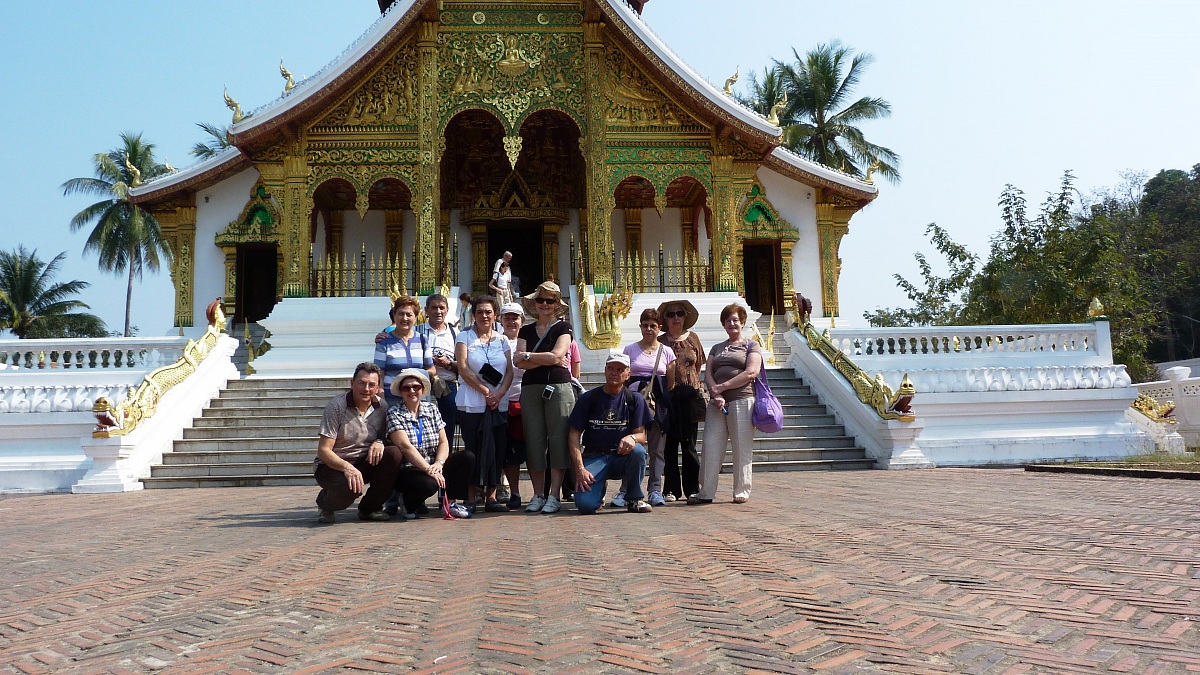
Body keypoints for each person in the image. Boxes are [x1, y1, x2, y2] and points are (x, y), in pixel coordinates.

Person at [513, 280, 576, 514]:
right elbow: (517, 361)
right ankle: (538, 493)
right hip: (531, 388)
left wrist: (529, 356)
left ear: (556, 304)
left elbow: (558, 356)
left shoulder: (563, 327)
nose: (545, 304)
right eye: (540, 300)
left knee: (558, 439)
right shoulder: (526, 330)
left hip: (558, 386)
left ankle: (554, 494)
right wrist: (543, 357)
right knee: (534, 440)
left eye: (550, 300)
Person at [690, 303, 763, 505]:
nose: (732, 323)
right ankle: (706, 491)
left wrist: (723, 387)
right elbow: (708, 373)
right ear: (723, 324)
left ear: (743, 323)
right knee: (710, 446)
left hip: (742, 399)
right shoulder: (717, 348)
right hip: (717, 404)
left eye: (736, 320)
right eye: (728, 320)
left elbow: (751, 372)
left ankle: (742, 489)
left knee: (742, 447)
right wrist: (716, 392)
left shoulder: (751, 345)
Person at [314, 363, 403, 523]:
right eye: (362, 383)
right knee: (349, 490)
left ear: (378, 388)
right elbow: (324, 450)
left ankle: (369, 509)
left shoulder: (382, 407)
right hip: (333, 465)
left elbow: (384, 436)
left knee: (394, 454)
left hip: (364, 461)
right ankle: (325, 503)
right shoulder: (336, 406)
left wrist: (379, 441)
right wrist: (347, 468)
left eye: (371, 385)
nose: (366, 389)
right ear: (352, 383)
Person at [569, 352, 654, 514]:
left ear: (628, 374)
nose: (614, 372)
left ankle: (634, 499)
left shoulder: (634, 399)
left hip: (620, 458)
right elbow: (573, 434)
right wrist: (580, 469)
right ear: (605, 370)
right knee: (585, 506)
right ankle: (599, 490)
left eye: (620, 369)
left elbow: (642, 435)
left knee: (638, 451)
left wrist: (632, 437)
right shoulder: (588, 398)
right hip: (595, 457)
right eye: (611, 368)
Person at [387, 369, 476, 519]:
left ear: (422, 390)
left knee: (467, 457)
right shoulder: (394, 413)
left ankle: (450, 503)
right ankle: (408, 503)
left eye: (416, 387)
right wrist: (429, 469)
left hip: (433, 463)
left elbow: (443, 441)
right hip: (409, 468)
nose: (412, 391)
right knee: (430, 484)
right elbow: (405, 447)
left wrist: (439, 464)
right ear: (401, 392)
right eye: (406, 388)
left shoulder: (432, 409)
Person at [455, 295, 514, 512]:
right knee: (473, 449)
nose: (484, 316)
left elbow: (509, 371)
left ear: (495, 315)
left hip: (498, 402)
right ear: (473, 315)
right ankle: (470, 497)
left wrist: (499, 394)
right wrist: (486, 391)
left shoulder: (502, 340)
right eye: (479, 312)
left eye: (488, 312)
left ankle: (492, 496)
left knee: (496, 449)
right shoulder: (464, 337)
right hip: (472, 401)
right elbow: (463, 368)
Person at [616, 308, 675, 507]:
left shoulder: (667, 352)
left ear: (659, 328)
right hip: (634, 404)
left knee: (657, 450)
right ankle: (626, 490)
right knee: (631, 446)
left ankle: (655, 489)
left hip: (658, 404)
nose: (649, 329)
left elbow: (670, 382)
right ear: (640, 326)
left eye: (653, 326)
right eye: (645, 325)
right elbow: (623, 378)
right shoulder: (630, 350)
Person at [658, 299, 705, 502]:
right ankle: (670, 489)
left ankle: (692, 488)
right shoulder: (660, 341)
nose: (675, 318)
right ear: (665, 319)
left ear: (685, 317)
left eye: (679, 313)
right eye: (671, 314)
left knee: (689, 445)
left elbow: (698, 365)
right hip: (668, 397)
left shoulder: (693, 339)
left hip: (690, 398)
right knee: (669, 445)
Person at [374, 296, 434, 408]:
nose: (405, 318)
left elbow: (432, 369)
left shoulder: (422, 340)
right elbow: (379, 375)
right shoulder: (384, 342)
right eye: (401, 314)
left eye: (409, 315)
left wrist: (415, 374)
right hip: (392, 401)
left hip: (418, 400)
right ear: (394, 316)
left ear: (416, 317)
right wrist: (382, 401)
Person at [499, 302, 528, 510]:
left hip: (527, 400)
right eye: (507, 318)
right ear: (501, 320)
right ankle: (513, 491)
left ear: (522, 320)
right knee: (508, 450)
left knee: (533, 448)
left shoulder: (529, 341)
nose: (511, 322)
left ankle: (540, 492)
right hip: (501, 400)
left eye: (515, 318)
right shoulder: (495, 341)